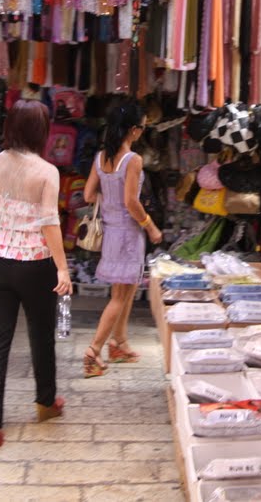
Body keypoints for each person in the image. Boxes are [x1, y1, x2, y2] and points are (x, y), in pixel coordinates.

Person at [0, 100, 73, 455]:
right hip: (35, 263)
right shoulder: (46, 171)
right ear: (42, 132)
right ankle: (45, 403)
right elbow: (49, 223)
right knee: (41, 336)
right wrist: (62, 267)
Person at [82, 101, 163, 378]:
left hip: (110, 231)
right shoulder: (133, 160)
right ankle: (94, 351)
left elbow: (88, 195)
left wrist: (109, 196)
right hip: (129, 233)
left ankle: (119, 344)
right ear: (132, 130)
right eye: (142, 127)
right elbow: (132, 201)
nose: (142, 132)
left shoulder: (101, 157)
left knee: (126, 291)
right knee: (119, 296)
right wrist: (150, 226)